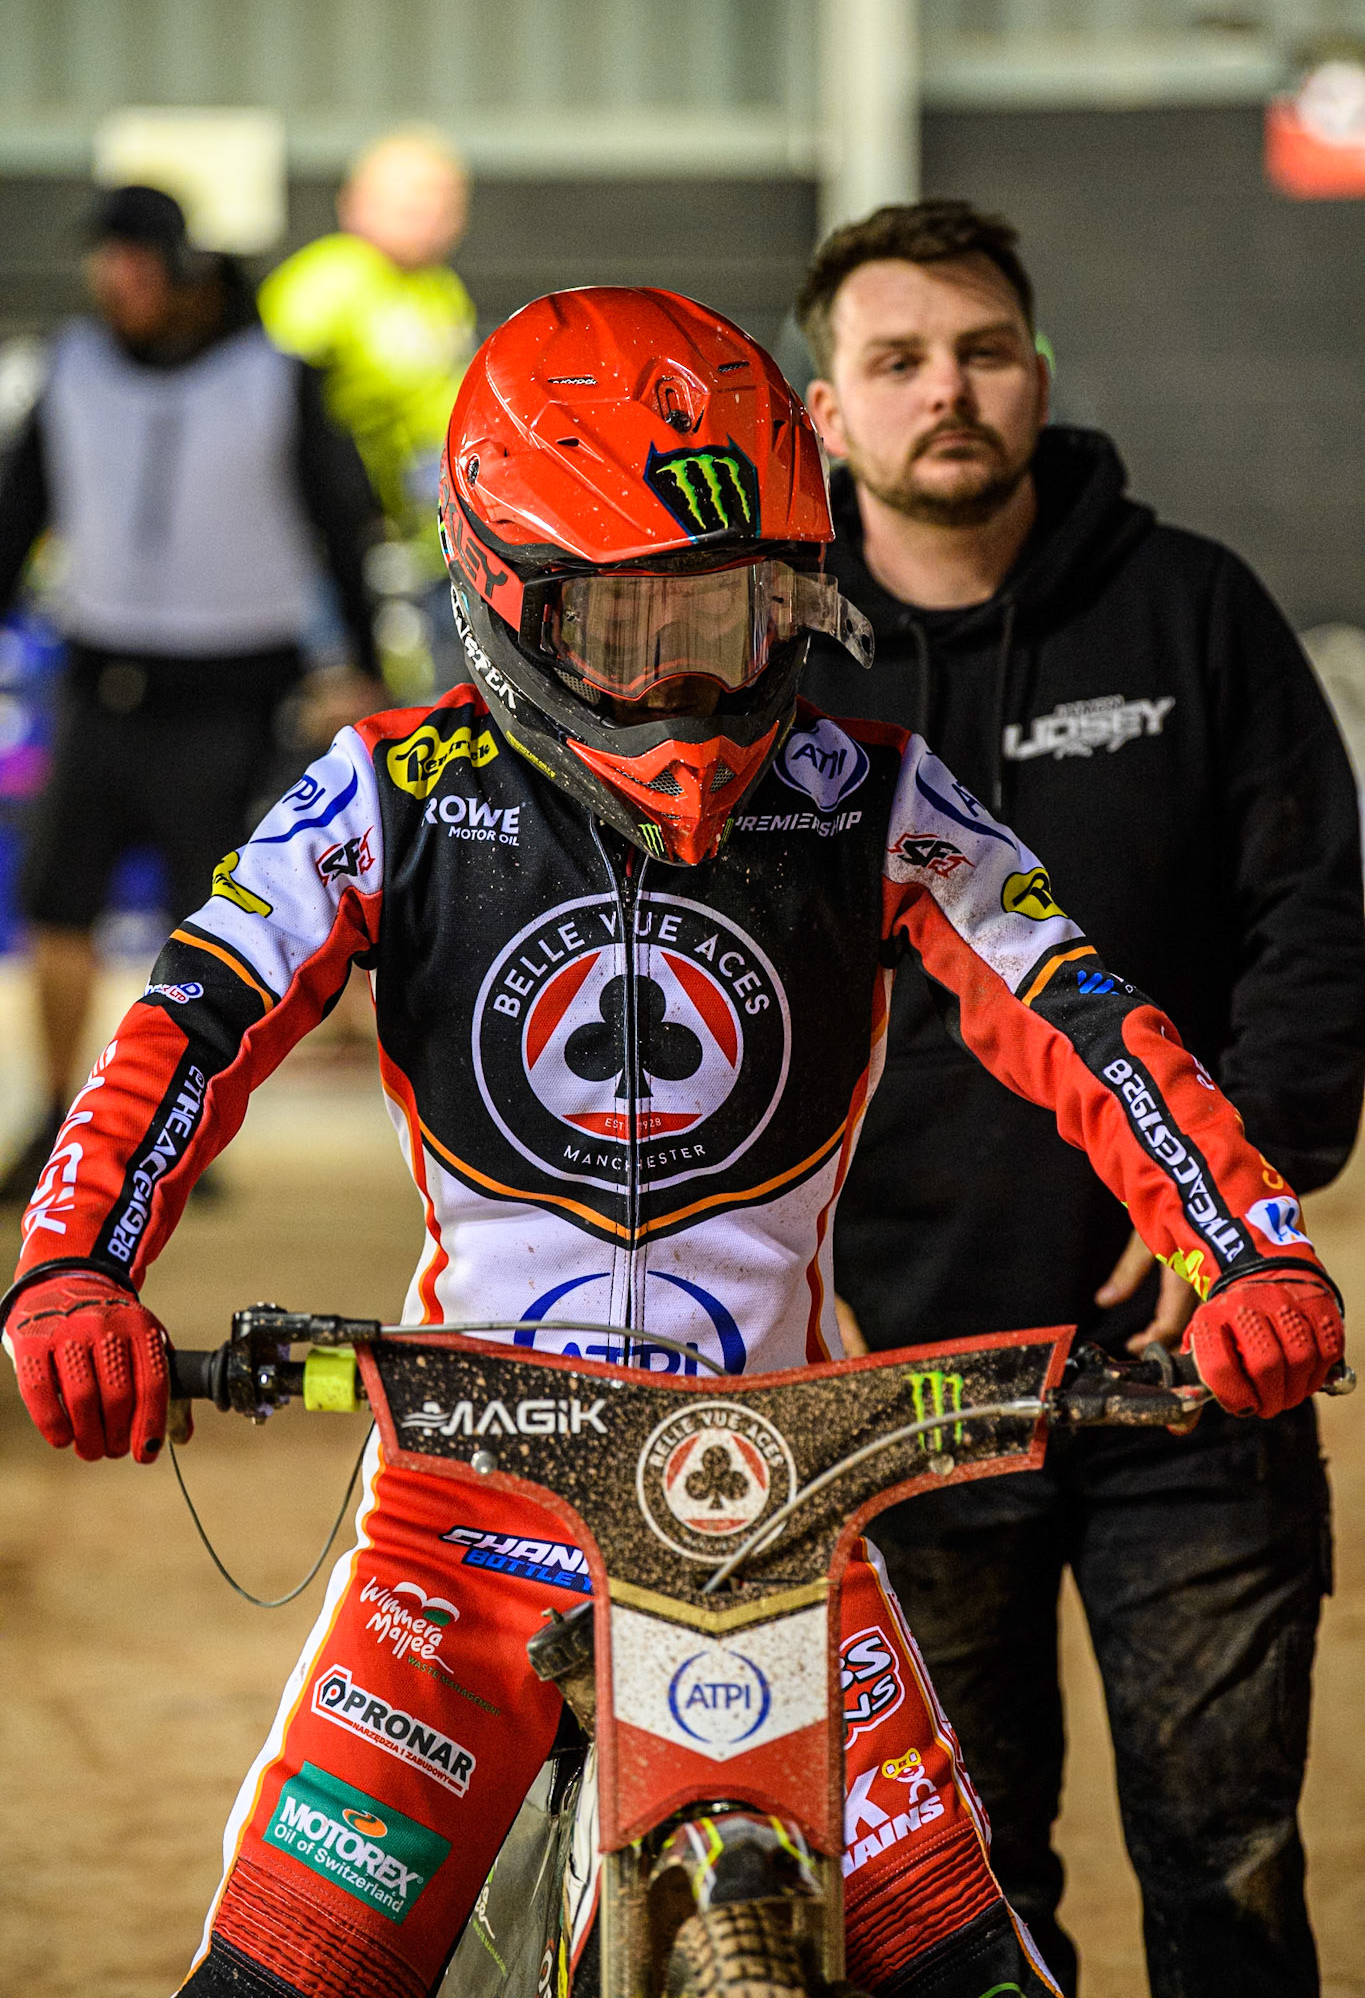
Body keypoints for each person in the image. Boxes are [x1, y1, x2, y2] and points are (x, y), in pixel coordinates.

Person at [0, 286, 1345, 1998]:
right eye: (639, 635)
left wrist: (1247, 1243)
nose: (699, 682)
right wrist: (73, 1264)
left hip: (778, 1511)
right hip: (462, 1539)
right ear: (505, 604)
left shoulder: (881, 792)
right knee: (281, 1980)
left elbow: (1092, 1020)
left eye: (739, 614)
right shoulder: (383, 795)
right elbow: (182, 1027)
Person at [795, 200, 1365, 1998]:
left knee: (1229, 1866)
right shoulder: (769, 669)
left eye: (980, 350)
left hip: (1185, 1369)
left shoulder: (1193, 609)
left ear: (1037, 371)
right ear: (826, 413)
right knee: (960, 1896)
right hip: (898, 1373)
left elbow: (1314, 917)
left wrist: (1241, 1191)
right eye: (898, 361)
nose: (946, 390)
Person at [0, 183, 385, 1202]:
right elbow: (15, 513)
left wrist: (361, 664)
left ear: (184, 270)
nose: (119, 285)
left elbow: (339, 525)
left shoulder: (274, 377)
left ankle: (173, 1135)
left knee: (203, 917)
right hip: (100, 668)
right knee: (59, 903)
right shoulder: (73, 369)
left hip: (230, 680)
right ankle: (56, 1118)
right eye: (108, 264)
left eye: (139, 264)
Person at [260, 131, 476, 691]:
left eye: (445, 203)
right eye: (411, 201)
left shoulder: (439, 287)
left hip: (424, 544)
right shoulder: (326, 284)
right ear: (356, 203)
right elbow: (262, 402)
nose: (431, 217)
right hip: (336, 543)